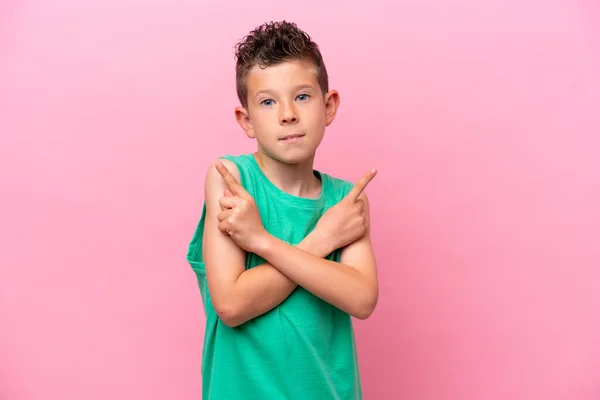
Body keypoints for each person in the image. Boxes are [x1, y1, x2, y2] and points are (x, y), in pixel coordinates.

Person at [186, 20, 379, 400]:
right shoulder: (231, 179)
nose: (287, 114)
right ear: (247, 120)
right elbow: (232, 303)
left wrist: (261, 242)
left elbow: (361, 298)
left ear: (329, 106)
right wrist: (324, 238)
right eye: (268, 101)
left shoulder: (345, 201)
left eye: (302, 97)